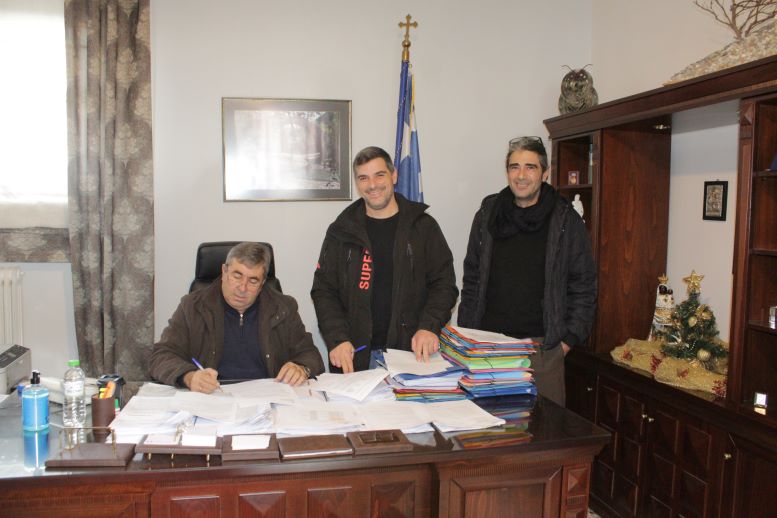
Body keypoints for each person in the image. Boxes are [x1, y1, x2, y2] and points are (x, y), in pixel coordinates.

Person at [457, 136, 597, 406]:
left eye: (530, 167)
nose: (521, 175)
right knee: (488, 427)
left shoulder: (565, 220)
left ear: (545, 173)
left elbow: (584, 285)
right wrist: (469, 334)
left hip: (542, 351)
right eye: (514, 167)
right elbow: (472, 277)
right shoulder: (488, 214)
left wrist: (565, 343)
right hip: (488, 348)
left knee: (545, 428)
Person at [311, 146, 459, 373]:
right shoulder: (341, 230)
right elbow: (324, 291)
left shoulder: (423, 227)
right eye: (363, 178)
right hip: (355, 356)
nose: (372, 185)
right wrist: (337, 339)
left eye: (379, 175)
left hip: (411, 353)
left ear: (394, 175)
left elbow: (444, 284)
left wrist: (429, 327)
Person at [150, 242, 324, 393]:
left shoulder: (284, 308)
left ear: (262, 284)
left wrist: (302, 368)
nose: (242, 288)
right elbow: (161, 356)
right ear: (224, 271)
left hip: (267, 400)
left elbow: (310, 354)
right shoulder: (193, 306)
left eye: (253, 281)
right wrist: (188, 376)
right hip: (214, 397)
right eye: (237, 276)